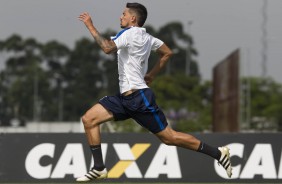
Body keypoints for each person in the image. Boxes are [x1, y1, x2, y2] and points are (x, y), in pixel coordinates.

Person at [77, 2, 232, 182]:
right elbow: (167, 52)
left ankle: (218, 153)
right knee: (89, 119)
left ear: (133, 18)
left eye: (124, 14)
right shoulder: (148, 37)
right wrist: (151, 74)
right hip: (124, 99)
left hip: (139, 98)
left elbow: (107, 48)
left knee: (170, 137)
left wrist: (90, 25)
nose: (121, 17)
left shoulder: (129, 33)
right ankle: (99, 168)